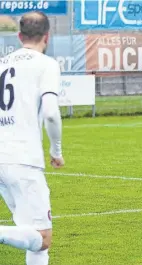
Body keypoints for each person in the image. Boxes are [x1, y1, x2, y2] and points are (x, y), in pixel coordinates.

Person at [0, 11, 64, 265]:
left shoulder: (2, 63)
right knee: (42, 237)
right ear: (47, 36)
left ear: (19, 36)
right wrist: (56, 151)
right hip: (23, 159)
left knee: (31, 235)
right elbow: (50, 112)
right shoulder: (46, 64)